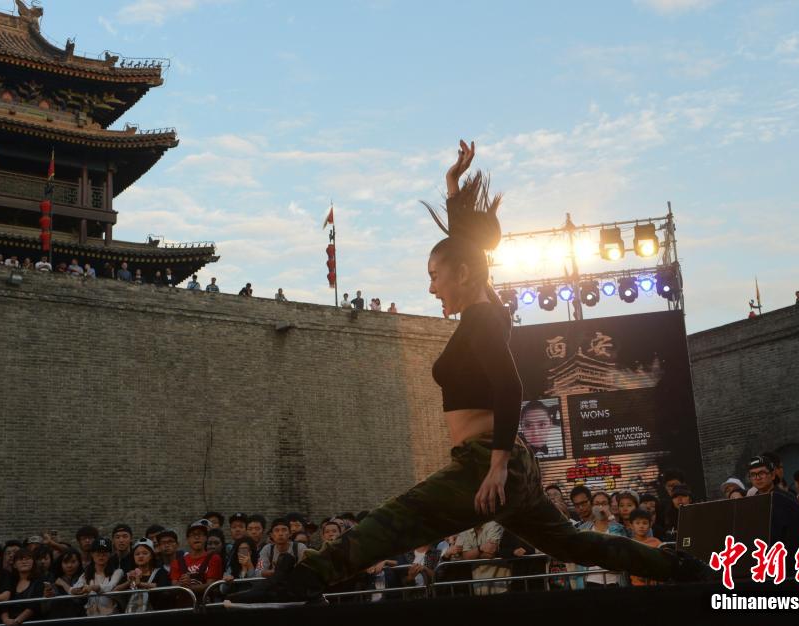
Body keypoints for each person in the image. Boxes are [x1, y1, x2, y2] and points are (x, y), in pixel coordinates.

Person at [270, 140, 704, 603]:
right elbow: (469, 254)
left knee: (394, 520)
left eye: (435, 275)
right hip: (511, 467)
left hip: (487, 463)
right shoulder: (487, 307)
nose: (431, 286)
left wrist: (496, 466)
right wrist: (453, 188)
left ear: (460, 273)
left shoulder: (480, 320)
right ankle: (681, 567)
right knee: (576, 543)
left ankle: (302, 579)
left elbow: (509, 383)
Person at [113, 539, 169, 613]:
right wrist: (128, 582)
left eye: (145, 553)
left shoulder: (160, 572)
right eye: (137, 554)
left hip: (154, 614)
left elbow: (163, 587)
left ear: (151, 556)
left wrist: (140, 584)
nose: (140, 556)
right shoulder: (129, 574)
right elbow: (115, 591)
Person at [169, 520, 221, 599]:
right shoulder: (177, 562)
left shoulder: (214, 558)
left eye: (200, 534)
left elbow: (211, 585)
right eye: (193, 535)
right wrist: (182, 583)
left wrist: (187, 587)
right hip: (184, 607)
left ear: (206, 538)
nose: (197, 537)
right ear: (188, 540)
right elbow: (174, 587)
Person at [71, 538, 123, 616]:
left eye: (104, 553)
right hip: (91, 617)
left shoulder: (117, 572)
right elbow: (76, 586)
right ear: (92, 554)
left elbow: (110, 586)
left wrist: (94, 587)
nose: (101, 556)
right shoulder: (87, 573)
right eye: (98, 553)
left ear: (110, 554)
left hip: (111, 616)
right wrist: (75, 590)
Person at [0, 548, 46, 625]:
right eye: (20, 559)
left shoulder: (39, 581)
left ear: (33, 562)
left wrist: (17, 621)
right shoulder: (10, 581)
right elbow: (3, 604)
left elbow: (34, 605)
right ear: (14, 565)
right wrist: (5, 620)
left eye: (28, 559)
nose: (24, 562)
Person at [628, 509, 662, 586]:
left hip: (656, 584)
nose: (641, 526)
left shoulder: (656, 542)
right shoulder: (629, 544)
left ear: (650, 525)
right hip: (637, 586)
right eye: (637, 523)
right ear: (631, 525)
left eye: (645, 523)